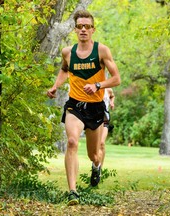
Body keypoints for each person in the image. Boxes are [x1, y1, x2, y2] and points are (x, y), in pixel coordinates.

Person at [47, 10, 120, 206]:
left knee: (93, 154)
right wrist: (56, 86)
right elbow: (64, 70)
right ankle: (73, 192)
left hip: (96, 107)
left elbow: (116, 79)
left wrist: (98, 86)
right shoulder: (68, 53)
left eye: (87, 26)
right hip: (75, 105)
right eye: (79, 26)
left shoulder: (102, 51)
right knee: (71, 142)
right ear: (75, 29)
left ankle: (96, 166)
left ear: (93, 29)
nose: (83, 30)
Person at [100, 88, 115, 167]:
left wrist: (112, 102)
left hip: (104, 118)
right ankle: (95, 162)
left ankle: (99, 169)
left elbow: (112, 96)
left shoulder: (108, 90)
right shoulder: (91, 87)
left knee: (102, 143)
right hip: (93, 119)